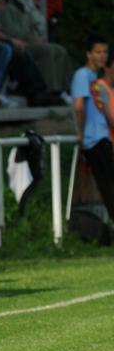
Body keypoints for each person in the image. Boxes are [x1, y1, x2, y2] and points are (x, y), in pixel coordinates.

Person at [71, 36, 114, 219]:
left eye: (105, 52)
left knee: (108, 184)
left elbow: (104, 111)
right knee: (107, 185)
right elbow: (79, 106)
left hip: (102, 137)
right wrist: (81, 134)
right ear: (89, 54)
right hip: (93, 139)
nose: (102, 56)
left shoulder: (95, 79)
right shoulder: (82, 75)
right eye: (98, 52)